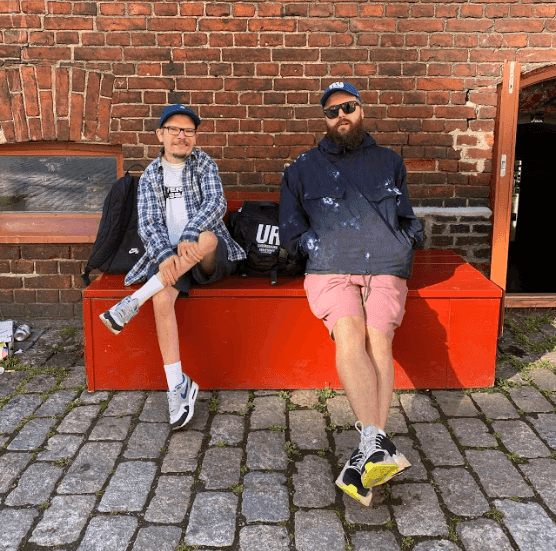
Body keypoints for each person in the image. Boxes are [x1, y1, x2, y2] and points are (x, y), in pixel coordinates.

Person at [279, 82, 424, 506]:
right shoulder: (301, 168)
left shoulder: (389, 161)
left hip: (385, 264)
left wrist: (404, 243)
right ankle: (375, 450)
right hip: (330, 268)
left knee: (379, 339)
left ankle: (368, 454)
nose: (341, 115)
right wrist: (316, 249)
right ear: (324, 120)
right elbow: (291, 228)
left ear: (361, 109)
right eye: (332, 111)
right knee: (349, 334)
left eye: (348, 107)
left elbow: (407, 216)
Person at [99, 104, 246, 430]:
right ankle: (177, 385)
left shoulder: (204, 164)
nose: (182, 136)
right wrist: (165, 256)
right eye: (175, 130)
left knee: (206, 238)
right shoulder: (151, 175)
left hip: (208, 257)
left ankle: (133, 301)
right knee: (162, 299)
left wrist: (190, 234)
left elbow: (216, 204)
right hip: (171, 260)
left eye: (188, 130)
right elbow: (149, 223)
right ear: (160, 135)